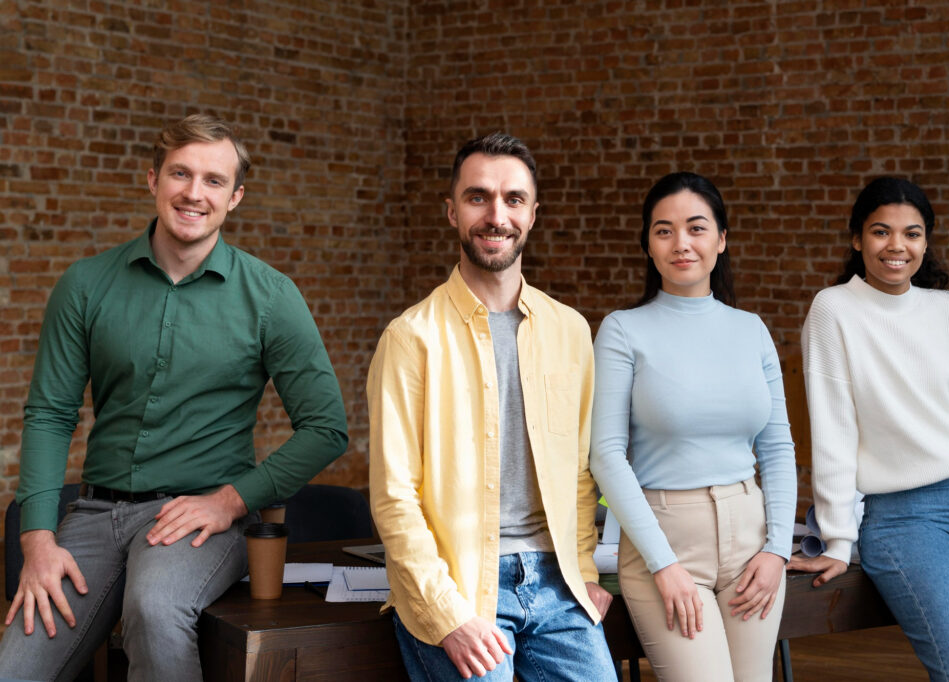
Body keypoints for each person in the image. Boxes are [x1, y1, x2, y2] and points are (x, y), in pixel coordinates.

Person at [0, 114, 349, 682]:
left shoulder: (271, 297)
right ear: (152, 180)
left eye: (213, 180)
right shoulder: (85, 285)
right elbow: (50, 413)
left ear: (235, 197)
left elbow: (326, 427)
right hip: (92, 517)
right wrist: (38, 539)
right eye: (180, 174)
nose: (193, 193)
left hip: (198, 520)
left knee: (155, 609)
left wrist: (231, 501)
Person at [367, 132, 617, 681]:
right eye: (478, 197)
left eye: (513, 199)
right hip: (459, 586)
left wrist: (583, 572)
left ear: (532, 214)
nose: (495, 214)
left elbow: (579, 475)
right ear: (452, 211)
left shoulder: (570, 331)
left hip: (558, 583)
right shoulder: (411, 337)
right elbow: (394, 497)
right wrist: (447, 614)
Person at [789, 177, 949, 680]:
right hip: (905, 523)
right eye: (881, 232)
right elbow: (834, 433)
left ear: (925, 242)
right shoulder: (833, 311)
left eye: (912, 234)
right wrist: (836, 539)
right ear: (857, 239)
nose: (897, 246)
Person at [589, 172, 797, 681]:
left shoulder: (751, 330)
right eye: (664, 230)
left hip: (751, 542)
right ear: (649, 245)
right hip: (666, 540)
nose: (681, 243)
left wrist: (777, 550)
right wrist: (663, 564)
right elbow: (607, 455)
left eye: (696, 228)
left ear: (721, 240)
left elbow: (779, 449)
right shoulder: (622, 330)